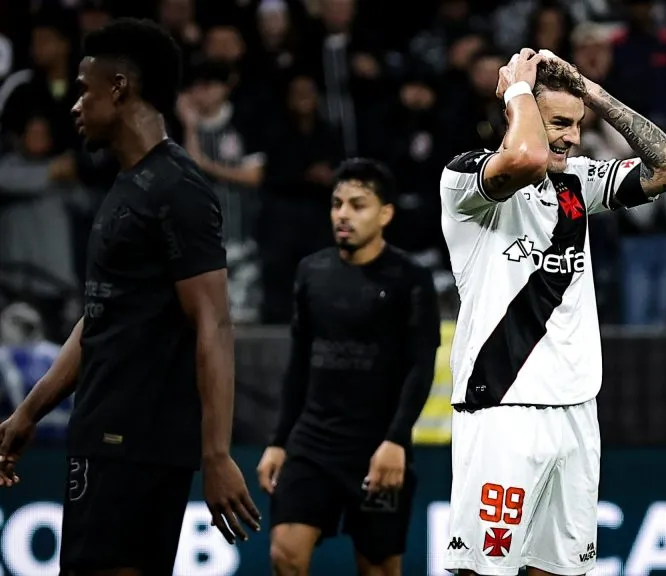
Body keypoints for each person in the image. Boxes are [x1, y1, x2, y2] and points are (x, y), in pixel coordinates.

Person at [0, 18, 260, 574]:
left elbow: (213, 324)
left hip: (135, 444)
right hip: (105, 437)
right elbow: (100, 317)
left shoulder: (177, 189)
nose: (74, 105)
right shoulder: (127, 185)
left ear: (118, 88)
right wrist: (29, 411)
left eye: (83, 89)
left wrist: (216, 454)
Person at [439, 48, 666, 575]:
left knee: (560, 571)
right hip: (504, 408)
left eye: (577, 126)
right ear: (519, 114)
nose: (572, 138)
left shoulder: (576, 184)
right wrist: (515, 92)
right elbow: (525, 157)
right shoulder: (467, 184)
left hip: (577, 410)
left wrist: (591, 92)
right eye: (558, 122)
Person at [257, 158, 440, 576]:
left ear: (386, 213)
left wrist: (396, 441)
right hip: (313, 444)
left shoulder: (409, 279)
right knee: (285, 553)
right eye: (337, 203)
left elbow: (420, 366)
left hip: (376, 448)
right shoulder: (311, 272)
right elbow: (299, 364)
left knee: (377, 568)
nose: (343, 214)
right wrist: (278, 440)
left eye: (358, 205)